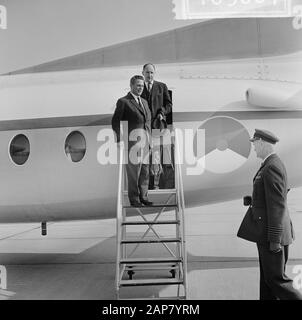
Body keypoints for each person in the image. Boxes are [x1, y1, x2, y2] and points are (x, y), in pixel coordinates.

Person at [238, 129, 302, 300]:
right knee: (267, 282)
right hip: (267, 233)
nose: (254, 148)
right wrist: (253, 200)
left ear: (262, 143)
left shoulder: (272, 166)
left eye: (254, 144)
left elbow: (277, 205)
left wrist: (274, 240)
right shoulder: (270, 164)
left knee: (276, 280)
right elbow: (276, 195)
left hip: (272, 235)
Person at [111, 75, 153, 207]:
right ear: (131, 86)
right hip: (132, 143)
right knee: (134, 172)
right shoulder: (124, 102)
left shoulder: (145, 102)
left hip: (145, 142)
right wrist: (119, 139)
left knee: (145, 171)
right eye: (138, 85)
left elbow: (147, 122)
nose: (140, 88)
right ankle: (134, 200)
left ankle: (144, 197)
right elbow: (115, 121)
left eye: (142, 85)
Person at [141, 63, 173, 189]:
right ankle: (148, 187)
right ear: (143, 73)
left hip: (159, 127)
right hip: (145, 129)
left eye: (151, 72)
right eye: (147, 72)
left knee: (163, 158)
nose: (149, 75)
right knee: (146, 159)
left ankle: (165, 185)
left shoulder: (162, 86)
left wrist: (162, 112)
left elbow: (169, 105)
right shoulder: (139, 87)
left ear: (154, 73)